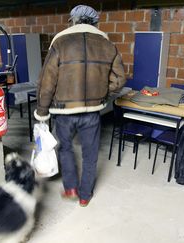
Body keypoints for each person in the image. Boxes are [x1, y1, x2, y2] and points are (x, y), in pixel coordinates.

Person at [34, 5, 126, 207]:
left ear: (73, 21)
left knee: (65, 149)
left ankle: (71, 188)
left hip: (63, 111)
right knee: (90, 154)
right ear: (95, 22)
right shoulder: (107, 44)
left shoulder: (60, 42)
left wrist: (42, 112)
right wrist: (103, 95)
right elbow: (119, 79)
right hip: (92, 113)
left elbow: (47, 81)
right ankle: (85, 196)